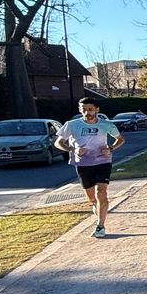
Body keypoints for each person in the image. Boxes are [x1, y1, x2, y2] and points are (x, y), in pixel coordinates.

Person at [55, 97, 125, 238]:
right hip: (83, 164)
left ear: (97, 110)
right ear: (80, 110)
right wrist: (73, 150)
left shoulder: (106, 124)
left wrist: (110, 149)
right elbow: (58, 143)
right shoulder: (71, 125)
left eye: (90, 109)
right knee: (92, 197)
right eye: (84, 110)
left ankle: (100, 226)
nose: (87, 113)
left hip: (103, 161)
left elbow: (120, 139)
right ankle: (95, 205)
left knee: (102, 192)